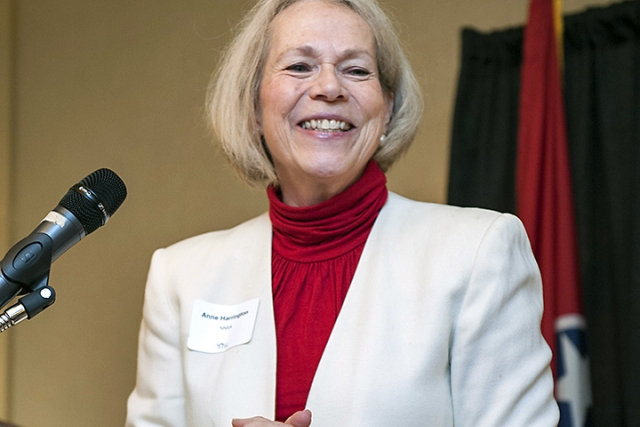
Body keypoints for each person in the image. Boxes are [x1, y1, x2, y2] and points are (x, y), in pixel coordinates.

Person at [126, 0, 559, 426]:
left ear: (386, 108)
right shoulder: (181, 276)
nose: (329, 87)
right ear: (254, 106)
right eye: (299, 67)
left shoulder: (478, 252)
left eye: (356, 70)